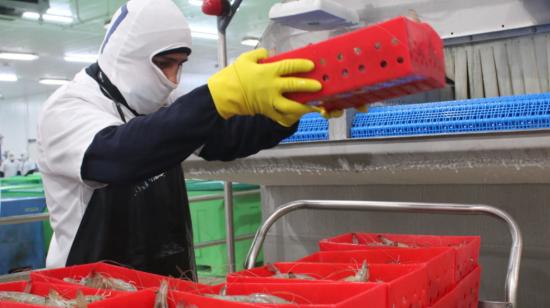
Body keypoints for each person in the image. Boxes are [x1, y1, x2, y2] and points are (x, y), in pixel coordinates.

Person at [37, 0, 331, 279]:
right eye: (165, 64)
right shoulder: (68, 107)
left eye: (180, 65)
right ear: (128, 55)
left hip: (169, 280)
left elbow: (226, 139)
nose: (173, 79)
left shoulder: (164, 102)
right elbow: (118, 156)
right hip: (91, 289)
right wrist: (215, 98)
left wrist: (286, 114)